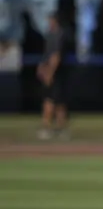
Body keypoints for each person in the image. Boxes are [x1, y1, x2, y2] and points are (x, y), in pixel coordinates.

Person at [36, 12, 70, 140]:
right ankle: (54, 127)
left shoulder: (59, 35)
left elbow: (55, 57)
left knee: (54, 101)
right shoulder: (50, 35)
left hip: (56, 73)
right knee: (52, 100)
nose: (49, 23)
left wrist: (50, 73)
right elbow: (46, 54)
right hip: (49, 72)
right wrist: (41, 67)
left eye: (50, 20)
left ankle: (51, 128)